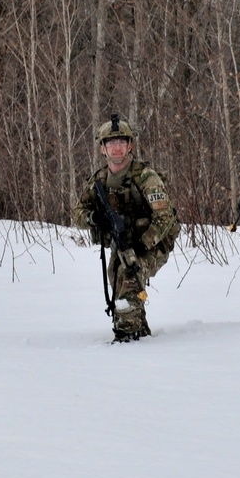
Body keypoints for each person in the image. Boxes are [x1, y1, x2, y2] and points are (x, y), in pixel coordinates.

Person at [71, 115, 180, 342]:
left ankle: (128, 335)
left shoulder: (145, 177)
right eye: (111, 143)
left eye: (122, 142)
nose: (117, 148)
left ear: (130, 145)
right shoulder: (99, 181)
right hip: (120, 246)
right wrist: (94, 218)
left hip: (152, 244)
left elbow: (164, 216)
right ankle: (137, 328)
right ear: (102, 148)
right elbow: (78, 213)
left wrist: (141, 245)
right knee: (118, 278)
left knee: (129, 275)